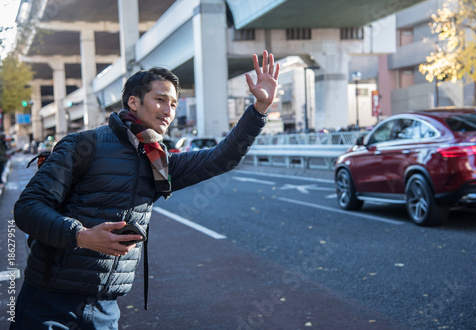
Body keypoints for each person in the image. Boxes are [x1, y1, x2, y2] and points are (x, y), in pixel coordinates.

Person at [11, 50, 280, 329]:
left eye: (174, 104)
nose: (168, 111)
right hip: (49, 301)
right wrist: (81, 236)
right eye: (160, 100)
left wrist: (259, 109)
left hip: (105, 307)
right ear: (133, 102)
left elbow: (222, 158)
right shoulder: (82, 145)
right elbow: (28, 208)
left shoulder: (158, 161)